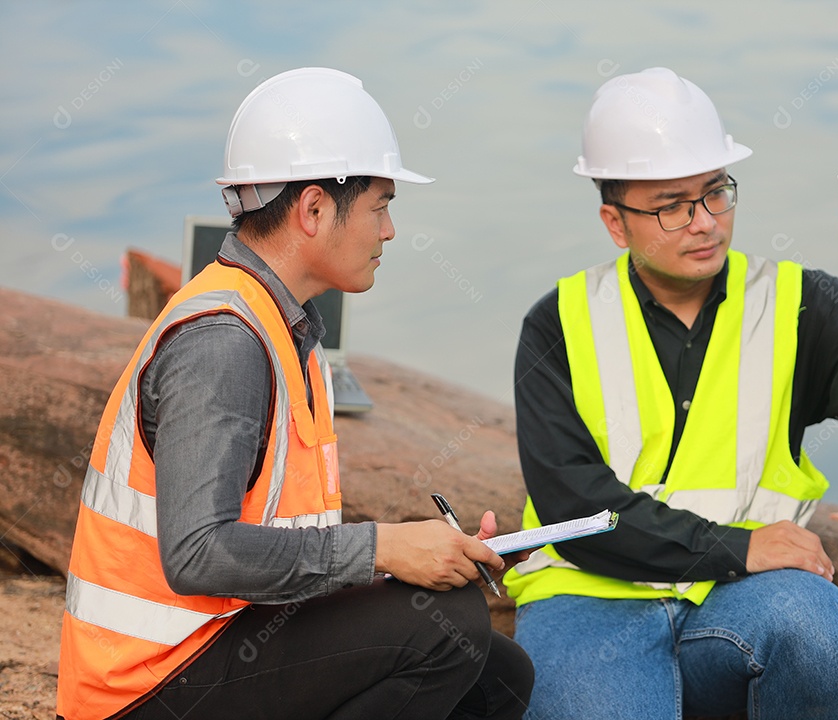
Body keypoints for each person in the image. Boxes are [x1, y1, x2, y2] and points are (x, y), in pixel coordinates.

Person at [57, 67, 532, 720]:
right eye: (381, 205)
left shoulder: (284, 327)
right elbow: (198, 554)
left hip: (212, 649)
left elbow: (279, 538)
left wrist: (421, 555)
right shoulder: (223, 343)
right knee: (442, 625)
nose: (389, 231)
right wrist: (384, 549)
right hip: (143, 690)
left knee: (498, 673)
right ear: (313, 210)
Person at [504, 67, 838, 719]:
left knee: (819, 633)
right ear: (614, 220)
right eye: (672, 205)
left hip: (737, 597)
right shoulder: (559, 322)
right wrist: (740, 545)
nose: (705, 222)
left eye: (717, 193)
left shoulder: (798, 302)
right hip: (589, 599)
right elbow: (573, 504)